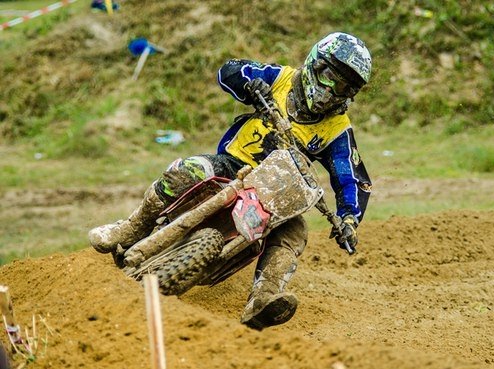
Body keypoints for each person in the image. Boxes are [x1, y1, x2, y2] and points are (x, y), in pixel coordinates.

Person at [89, 32, 373, 330]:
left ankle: (264, 297)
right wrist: (250, 83)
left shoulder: (337, 129)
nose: (332, 90)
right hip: (232, 164)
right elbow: (231, 70)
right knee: (187, 170)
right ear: (315, 64)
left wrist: (348, 220)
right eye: (330, 78)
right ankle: (131, 228)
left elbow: (351, 178)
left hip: (277, 193)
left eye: (344, 87)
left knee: (296, 231)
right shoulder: (280, 79)